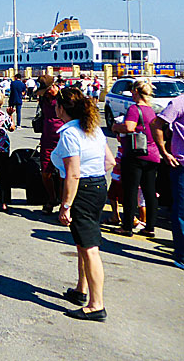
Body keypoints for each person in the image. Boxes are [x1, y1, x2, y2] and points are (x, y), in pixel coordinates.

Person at [51, 87, 115, 321]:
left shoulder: (69, 133)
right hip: (98, 184)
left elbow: (73, 173)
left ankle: (96, 305)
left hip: (83, 189)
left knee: (90, 249)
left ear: (61, 108)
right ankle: (81, 289)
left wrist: (66, 204)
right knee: (82, 243)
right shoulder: (93, 129)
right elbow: (109, 161)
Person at [111, 80, 160, 238]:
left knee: (130, 191)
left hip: (135, 154)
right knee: (149, 191)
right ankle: (150, 227)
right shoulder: (151, 110)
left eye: (132, 91)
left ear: (137, 92)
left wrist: (115, 127)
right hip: (152, 154)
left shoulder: (134, 108)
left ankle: (127, 226)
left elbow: (129, 127)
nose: (131, 94)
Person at [150, 93, 184, 270]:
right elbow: (156, 123)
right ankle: (182, 255)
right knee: (181, 212)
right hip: (181, 166)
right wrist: (164, 152)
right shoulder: (179, 102)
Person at [35, 75, 64, 214]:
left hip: (63, 139)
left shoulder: (64, 97)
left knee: (63, 173)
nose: (46, 94)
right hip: (47, 138)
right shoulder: (43, 99)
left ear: (53, 86)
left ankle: (64, 201)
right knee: (45, 171)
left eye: (47, 91)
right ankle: (52, 198)